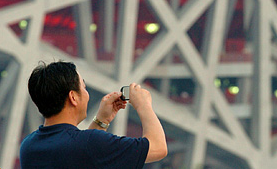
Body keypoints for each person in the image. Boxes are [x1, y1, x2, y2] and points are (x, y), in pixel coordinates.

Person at [20, 61, 167, 168]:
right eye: (83, 87)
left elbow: (79, 155)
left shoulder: (28, 146)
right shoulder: (90, 143)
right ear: (73, 97)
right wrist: (143, 105)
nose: (86, 94)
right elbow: (158, 148)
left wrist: (102, 120)